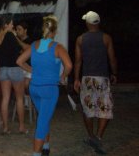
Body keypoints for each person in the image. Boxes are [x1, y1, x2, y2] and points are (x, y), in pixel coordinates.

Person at [17, 15, 72, 156]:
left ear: (43, 30)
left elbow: (19, 61)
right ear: (54, 32)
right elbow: (69, 65)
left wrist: (32, 70)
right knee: (42, 123)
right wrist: (63, 77)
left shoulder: (34, 45)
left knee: (43, 116)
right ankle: (37, 153)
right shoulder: (58, 47)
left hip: (34, 88)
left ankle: (46, 147)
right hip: (49, 90)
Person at [73, 11, 117, 154]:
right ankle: (98, 137)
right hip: (102, 78)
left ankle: (91, 136)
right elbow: (112, 59)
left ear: (88, 23)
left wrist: (76, 79)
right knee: (105, 107)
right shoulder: (106, 38)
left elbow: (78, 61)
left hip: (87, 78)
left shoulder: (80, 39)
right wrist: (114, 73)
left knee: (88, 108)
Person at [0, 15, 29, 135]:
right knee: (19, 99)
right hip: (15, 69)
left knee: (5, 98)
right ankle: (21, 127)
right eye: (11, 24)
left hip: (3, 70)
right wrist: (14, 37)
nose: (13, 26)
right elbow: (25, 48)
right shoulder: (12, 36)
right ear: (6, 25)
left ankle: (5, 128)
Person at [16, 21, 33, 91]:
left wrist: (15, 38)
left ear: (25, 30)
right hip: (19, 68)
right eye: (16, 29)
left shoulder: (31, 41)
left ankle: (28, 100)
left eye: (19, 29)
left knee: (26, 85)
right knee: (20, 89)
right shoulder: (16, 41)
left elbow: (27, 50)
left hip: (29, 67)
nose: (17, 31)